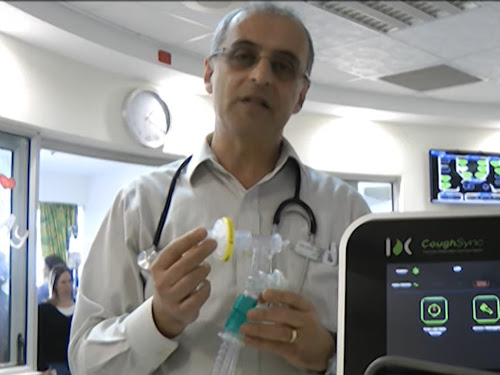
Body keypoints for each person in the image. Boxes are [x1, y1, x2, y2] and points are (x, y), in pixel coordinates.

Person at [68, 3, 370, 375]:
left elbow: (386, 354)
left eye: (283, 66)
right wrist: (158, 320)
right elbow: (85, 362)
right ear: (210, 73)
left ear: (301, 95)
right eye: (243, 56)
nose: (261, 76)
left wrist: (329, 353)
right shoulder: (141, 204)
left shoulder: (348, 215)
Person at [38, 264, 75, 375]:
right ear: (55, 285)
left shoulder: (80, 308)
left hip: (75, 363)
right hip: (54, 366)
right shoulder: (45, 310)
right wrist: (42, 368)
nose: (68, 285)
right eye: (63, 282)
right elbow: (39, 341)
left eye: (70, 281)